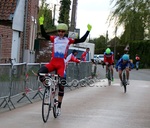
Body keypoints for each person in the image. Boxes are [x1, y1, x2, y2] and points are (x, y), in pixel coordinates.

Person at [38, 15, 92, 116]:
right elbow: (45, 35)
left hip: (61, 65)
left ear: (65, 32)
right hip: (53, 62)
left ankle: (58, 107)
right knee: (40, 72)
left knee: (62, 84)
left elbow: (81, 40)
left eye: (62, 31)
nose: (60, 33)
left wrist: (88, 31)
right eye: (59, 31)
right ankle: (48, 85)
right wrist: (41, 24)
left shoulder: (68, 40)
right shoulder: (54, 39)